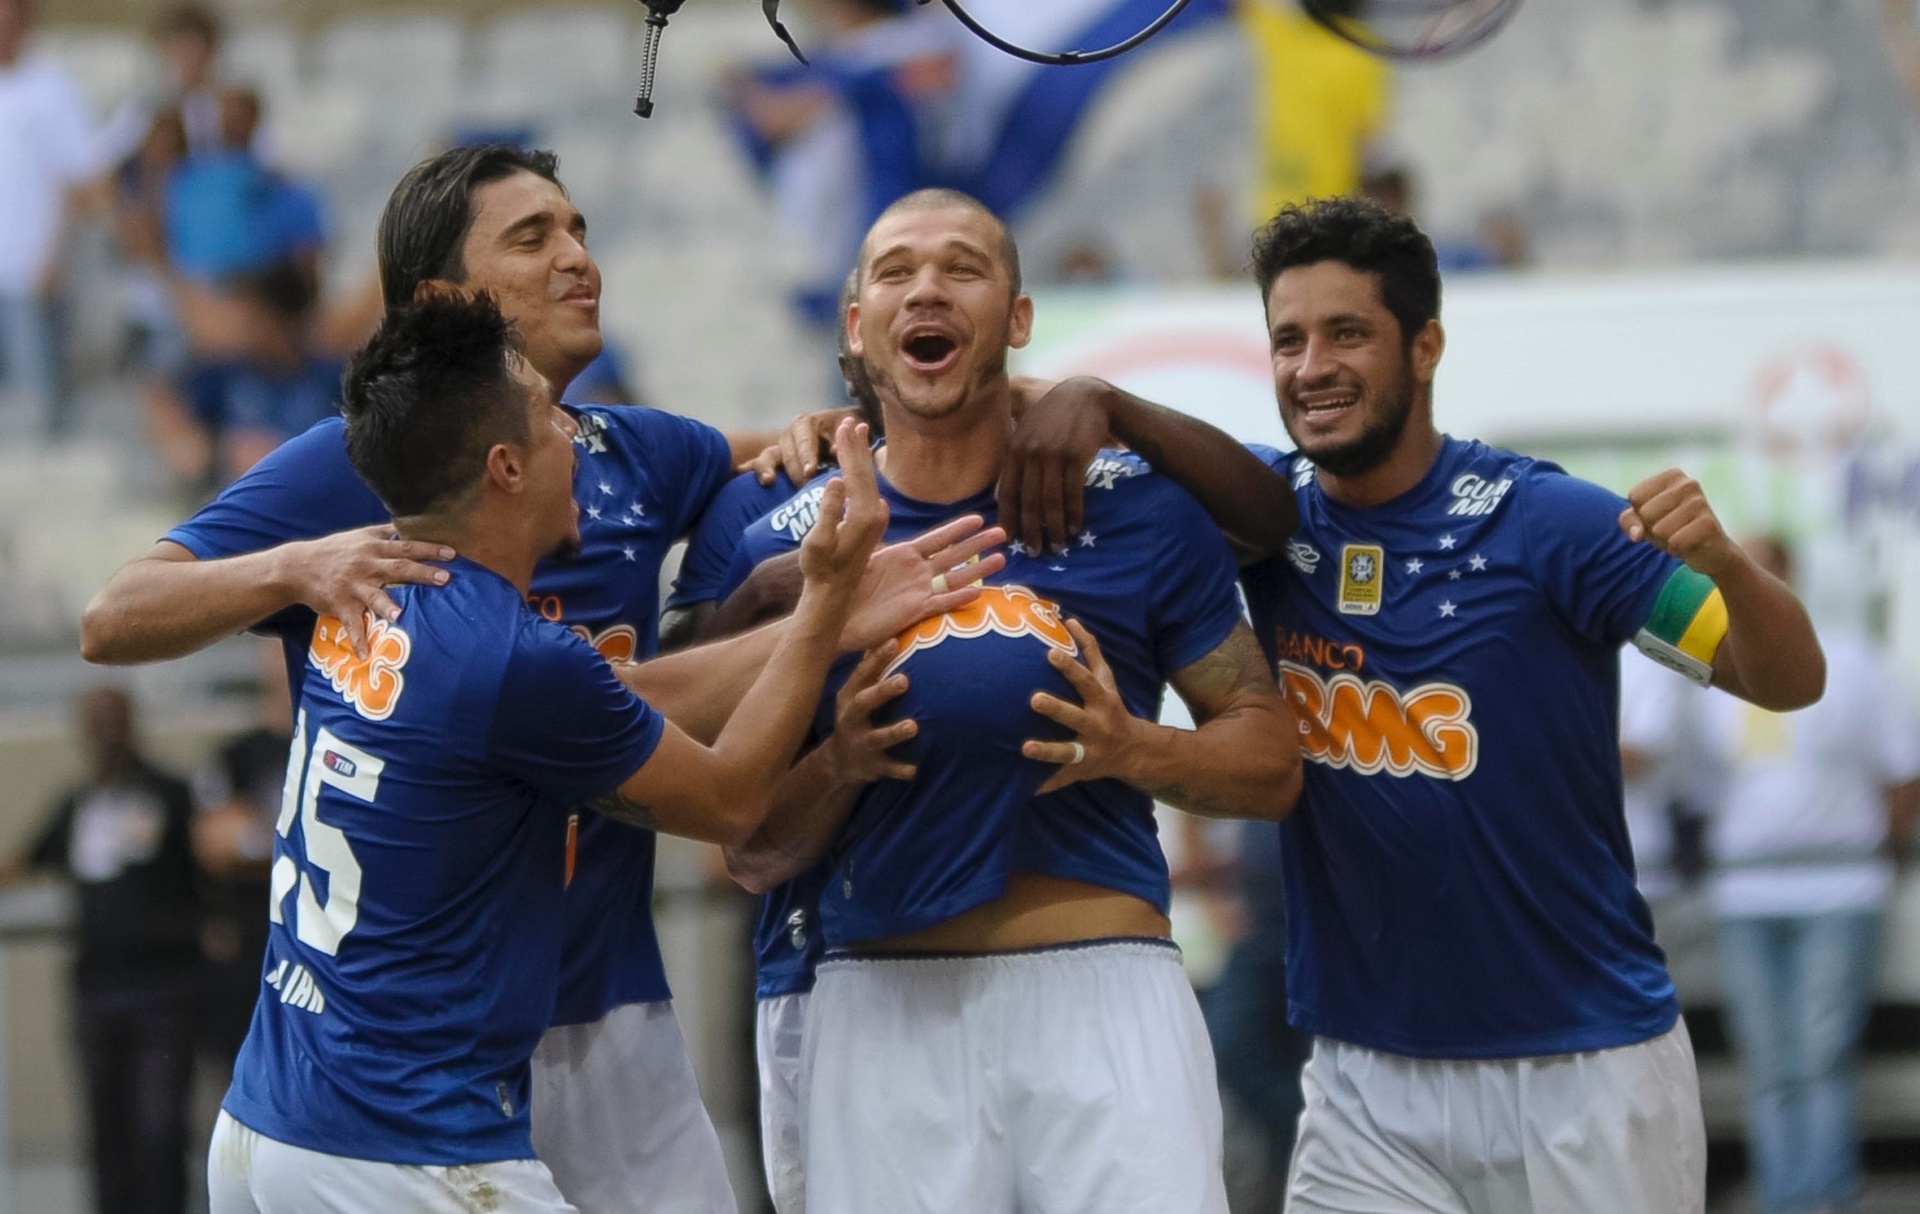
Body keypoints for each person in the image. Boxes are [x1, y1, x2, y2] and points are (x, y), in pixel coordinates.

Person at [78, 144, 1012, 1214]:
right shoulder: (358, 466)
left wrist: (853, 430)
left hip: (590, 1005)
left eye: (578, 229)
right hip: (416, 1048)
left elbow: (841, 448)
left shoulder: (633, 449)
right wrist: (292, 563)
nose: (579, 257)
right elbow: (113, 618)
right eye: (533, 238)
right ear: (444, 300)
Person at [206, 291, 893, 1212]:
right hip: (402, 1146)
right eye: (549, 417)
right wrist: (827, 607)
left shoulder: (357, 589)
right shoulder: (513, 657)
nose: (574, 432)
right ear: (505, 466)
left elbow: (609, 705)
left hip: (265, 1122)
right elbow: (728, 803)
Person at [1235, 196, 1826, 1213]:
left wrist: (1723, 558)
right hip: (1362, 1079)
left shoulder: (1553, 522)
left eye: (1346, 332)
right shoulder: (1262, 515)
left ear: (1425, 345)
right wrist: (1089, 405)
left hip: (1582, 1068)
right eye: (1288, 338)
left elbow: (1784, 679)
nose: (1311, 365)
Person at [720, 188, 1303, 1214]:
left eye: (963, 266)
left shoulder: (1140, 509)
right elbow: (747, 848)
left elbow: (1270, 760)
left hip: (1108, 997)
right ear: (857, 329)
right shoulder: (785, 542)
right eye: (896, 270)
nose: (927, 288)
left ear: (1019, 318)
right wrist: (837, 763)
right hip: (880, 1008)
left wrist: (1134, 748)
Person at [1700, 535, 1920, 1214]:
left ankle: (1820, 1199)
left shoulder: (1854, 662)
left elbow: (1901, 776)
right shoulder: (1712, 669)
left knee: (1822, 1054)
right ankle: (1782, 1195)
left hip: (1837, 888)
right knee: (1769, 1059)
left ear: (1790, 577)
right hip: (1744, 891)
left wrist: (1873, 854)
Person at [0, 687, 201, 1214]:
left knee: (159, 1130)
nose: (108, 735)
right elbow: (26, 860)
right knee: (106, 1133)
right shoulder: (78, 802)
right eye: (97, 723)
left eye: (116, 721)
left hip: (163, 992)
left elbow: (210, 870)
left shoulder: (171, 794)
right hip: (97, 992)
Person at [0, 0, 108, 435]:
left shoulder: (51, 89)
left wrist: (56, 256)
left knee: (37, 404)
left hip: (29, 272)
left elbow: (82, 182)